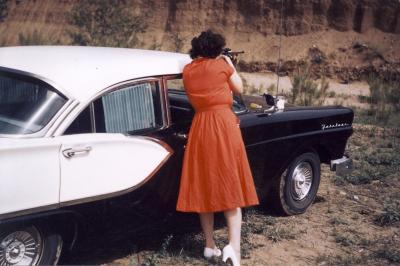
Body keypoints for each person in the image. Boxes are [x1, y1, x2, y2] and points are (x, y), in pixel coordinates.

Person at [176, 29, 259, 266]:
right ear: (217, 49)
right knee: (230, 185)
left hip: (200, 125)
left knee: (205, 185)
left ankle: (209, 246)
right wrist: (230, 64)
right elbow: (239, 88)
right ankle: (234, 248)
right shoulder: (222, 65)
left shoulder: (188, 70)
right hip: (223, 125)